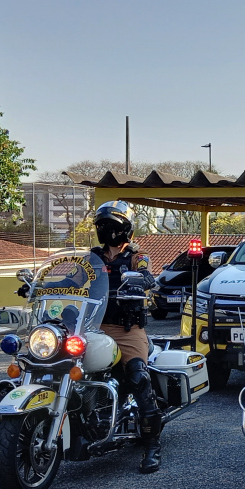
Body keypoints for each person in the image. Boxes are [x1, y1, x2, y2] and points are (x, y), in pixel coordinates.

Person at [92, 200, 163, 474]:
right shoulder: (92, 258)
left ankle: (152, 446)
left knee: (137, 377)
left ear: (124, 228)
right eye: (101, 225)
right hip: (94, 327)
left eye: (110, 225)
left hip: (126, 330)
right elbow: (72, 280)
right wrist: (45, 285)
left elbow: (147, 276)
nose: (105, 230)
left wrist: (140, 279)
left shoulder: (136, 255)